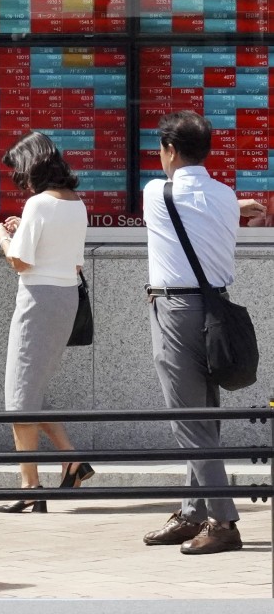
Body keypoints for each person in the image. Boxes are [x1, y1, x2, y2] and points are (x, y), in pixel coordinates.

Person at [140, 110, 246, 554]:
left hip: (177, 308)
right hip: (217, 307)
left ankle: (223, 522)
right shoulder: (225, 195)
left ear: (168, 149)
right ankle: (192, 512)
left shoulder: (155, 192)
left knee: (188, 418)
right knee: (205, 414)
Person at [0, 132, 94, 513]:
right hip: (63, 298)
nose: (19, 179)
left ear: (32, 165)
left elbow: (20, 262)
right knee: (30, 391)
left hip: (38, 300)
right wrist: (21, 234)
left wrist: (1, 234)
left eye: (19, 171)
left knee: (20, 399)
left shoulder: (38, 205)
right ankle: (72, 460)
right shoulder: (75, 203)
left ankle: (30, 485)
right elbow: (70, 260)